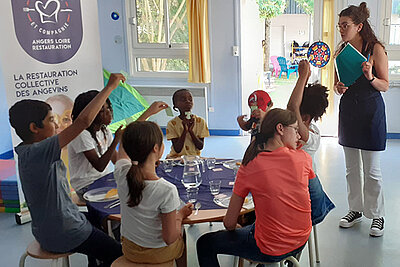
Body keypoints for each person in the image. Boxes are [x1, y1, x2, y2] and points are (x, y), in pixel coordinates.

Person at [9, 73, 125, 266]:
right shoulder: (39, 151)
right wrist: (110, 87)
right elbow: (82, 122)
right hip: (63, 231)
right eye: (51, 120)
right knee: (119, 253)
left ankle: (94, 262)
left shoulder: (29, 152)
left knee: (100, 219)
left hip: (51, 226)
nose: (56, 125)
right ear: (34, 128)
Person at [197, 108, 315, 266]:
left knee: (204, 243)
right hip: (301, 240)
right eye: (295, 130)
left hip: (269, 248)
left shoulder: (250, 165)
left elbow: (229, 222)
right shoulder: (303, 158)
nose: (299, 135)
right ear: (280, 129)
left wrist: (236, 227)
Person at [335, 2, 389, 237]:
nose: (341, 29)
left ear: (359, 26)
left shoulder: (375, 49)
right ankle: (355, 209)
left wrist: (370, 76)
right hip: (349, 113)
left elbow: (384, 85)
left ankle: (377, 215)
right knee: (351, 169)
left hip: (371, 114)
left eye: (345, 25)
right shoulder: (341, 51)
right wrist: (338, 87)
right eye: (339, 26)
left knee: (372, 171)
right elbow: (338, 86)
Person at [114, 121, 192, 266]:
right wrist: (180, 216)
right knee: (181, 233)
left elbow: (124, 150)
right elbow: (170, 238)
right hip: (157, 254)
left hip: (130, 249)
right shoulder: (166, 189)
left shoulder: (121, 172)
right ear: (156, 148)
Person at [68, 89, 168, 201]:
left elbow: (117, 160)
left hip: (104, 179)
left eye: (109, 108)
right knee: (135, 192)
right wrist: (116, 141)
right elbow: (99, 166)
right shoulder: (81, 134)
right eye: (103, 110)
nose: (109, 112)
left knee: (140, 184)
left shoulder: (104, 130)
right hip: (86, 186)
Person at [287, 60, 335, 225]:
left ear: (304, 117)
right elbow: (294, 106)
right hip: (294, 189)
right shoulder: (294, 125)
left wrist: (303, 77)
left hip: (309, 199)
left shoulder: (312, 135)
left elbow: (293, 106)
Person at [166, 89, 209, 158]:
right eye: (183, 100)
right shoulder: (172, 124)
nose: (188, 102)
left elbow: (200, 146)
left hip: (194, 158)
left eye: (190, 99)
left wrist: (191, 131)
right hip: (176, 158)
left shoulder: (200, 121)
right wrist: (185, 131)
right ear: (175, 105)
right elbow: (177, 149)